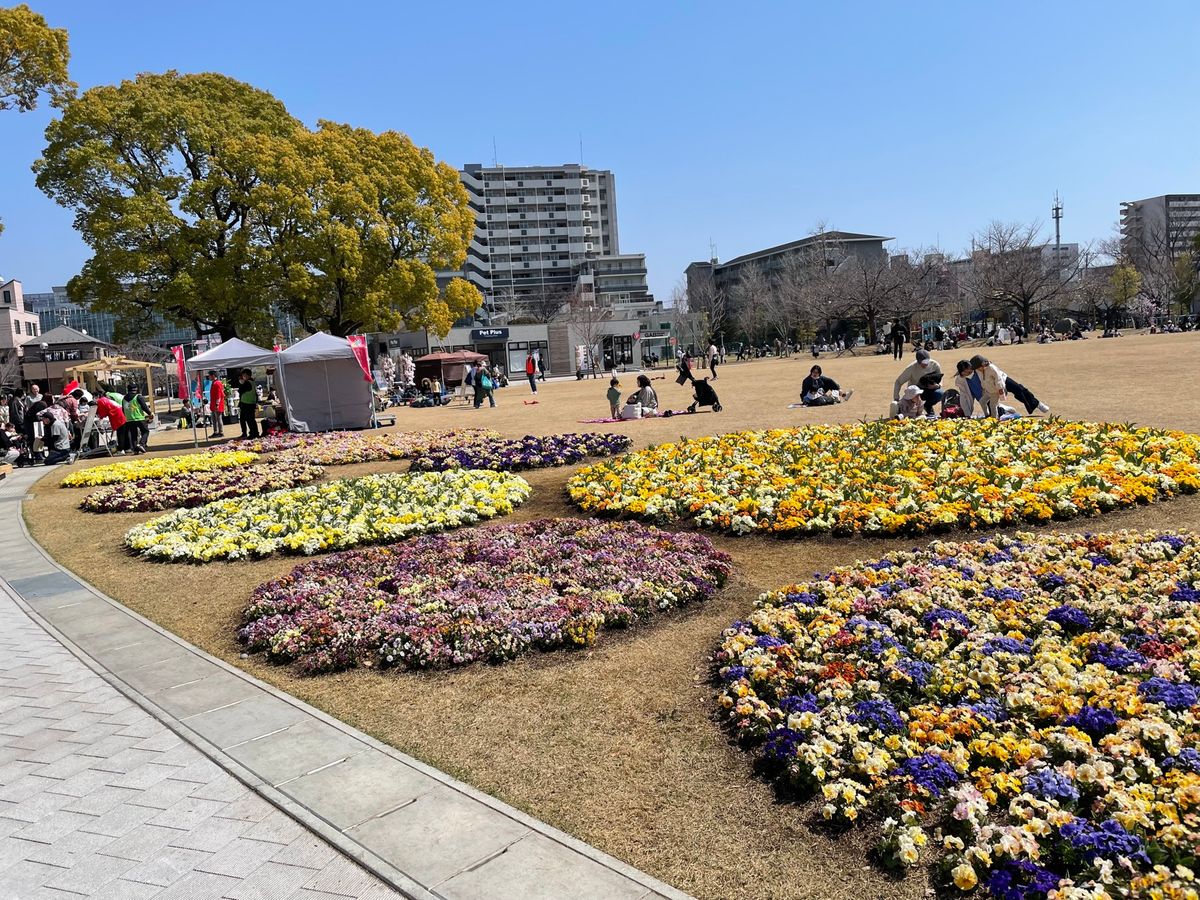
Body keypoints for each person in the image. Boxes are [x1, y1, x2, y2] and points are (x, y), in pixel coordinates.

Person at [969, 355, 1051, 418]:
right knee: (991, 405)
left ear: (982, 365)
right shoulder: (977, 369)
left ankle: (1037, 404)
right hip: (991, 388)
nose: (976, 370)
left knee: (1019, 389)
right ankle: (1003, 411)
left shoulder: (991, 368)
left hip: (1002, 381)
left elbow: (999, 379)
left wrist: (1001, 391)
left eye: (977, 368)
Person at [893, 349, 943, 416]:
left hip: (930, 390)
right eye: (923, 362)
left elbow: (939, 377)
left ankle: (928, 406)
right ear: (918, 361)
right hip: (915, 393)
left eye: (927, 362)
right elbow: (898, 382)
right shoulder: (911, 368)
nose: (925, 364)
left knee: (940, 393)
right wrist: (896, 397)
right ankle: (913, 410)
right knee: (912, 414)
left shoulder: (935, 365)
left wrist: (938, 385)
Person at [122, 388, 152, 453]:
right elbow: (144, 406)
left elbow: (123, 409)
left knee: (133, 435)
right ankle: (141, 444)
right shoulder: (138, 397)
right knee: (145, 431)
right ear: (135, 389)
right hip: (139, 418)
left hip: (129, 419)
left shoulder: (124, 399)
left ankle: (135, 449)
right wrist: (150, 413)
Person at [237, 370, 259, 439]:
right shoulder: (252, 382)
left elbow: (240, 390)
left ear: (247, 375)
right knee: (249, 419)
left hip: (247, 403)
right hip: (250, 403)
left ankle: (252, 433)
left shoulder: (247, 383)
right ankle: (254, 433)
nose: (243, 377)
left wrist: (241, 383)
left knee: (249, 420)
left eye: (244, 375)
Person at [209, 372, 226, 437]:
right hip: (213, 403)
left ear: (213, 376)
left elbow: (219, 394)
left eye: (210, 376)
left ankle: (221, 432)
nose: (209, 377)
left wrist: (217, 403)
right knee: (214, 418)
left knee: (218, 418)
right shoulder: (213, 383)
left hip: (217, 403)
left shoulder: (217, 383)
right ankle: (215, 431)